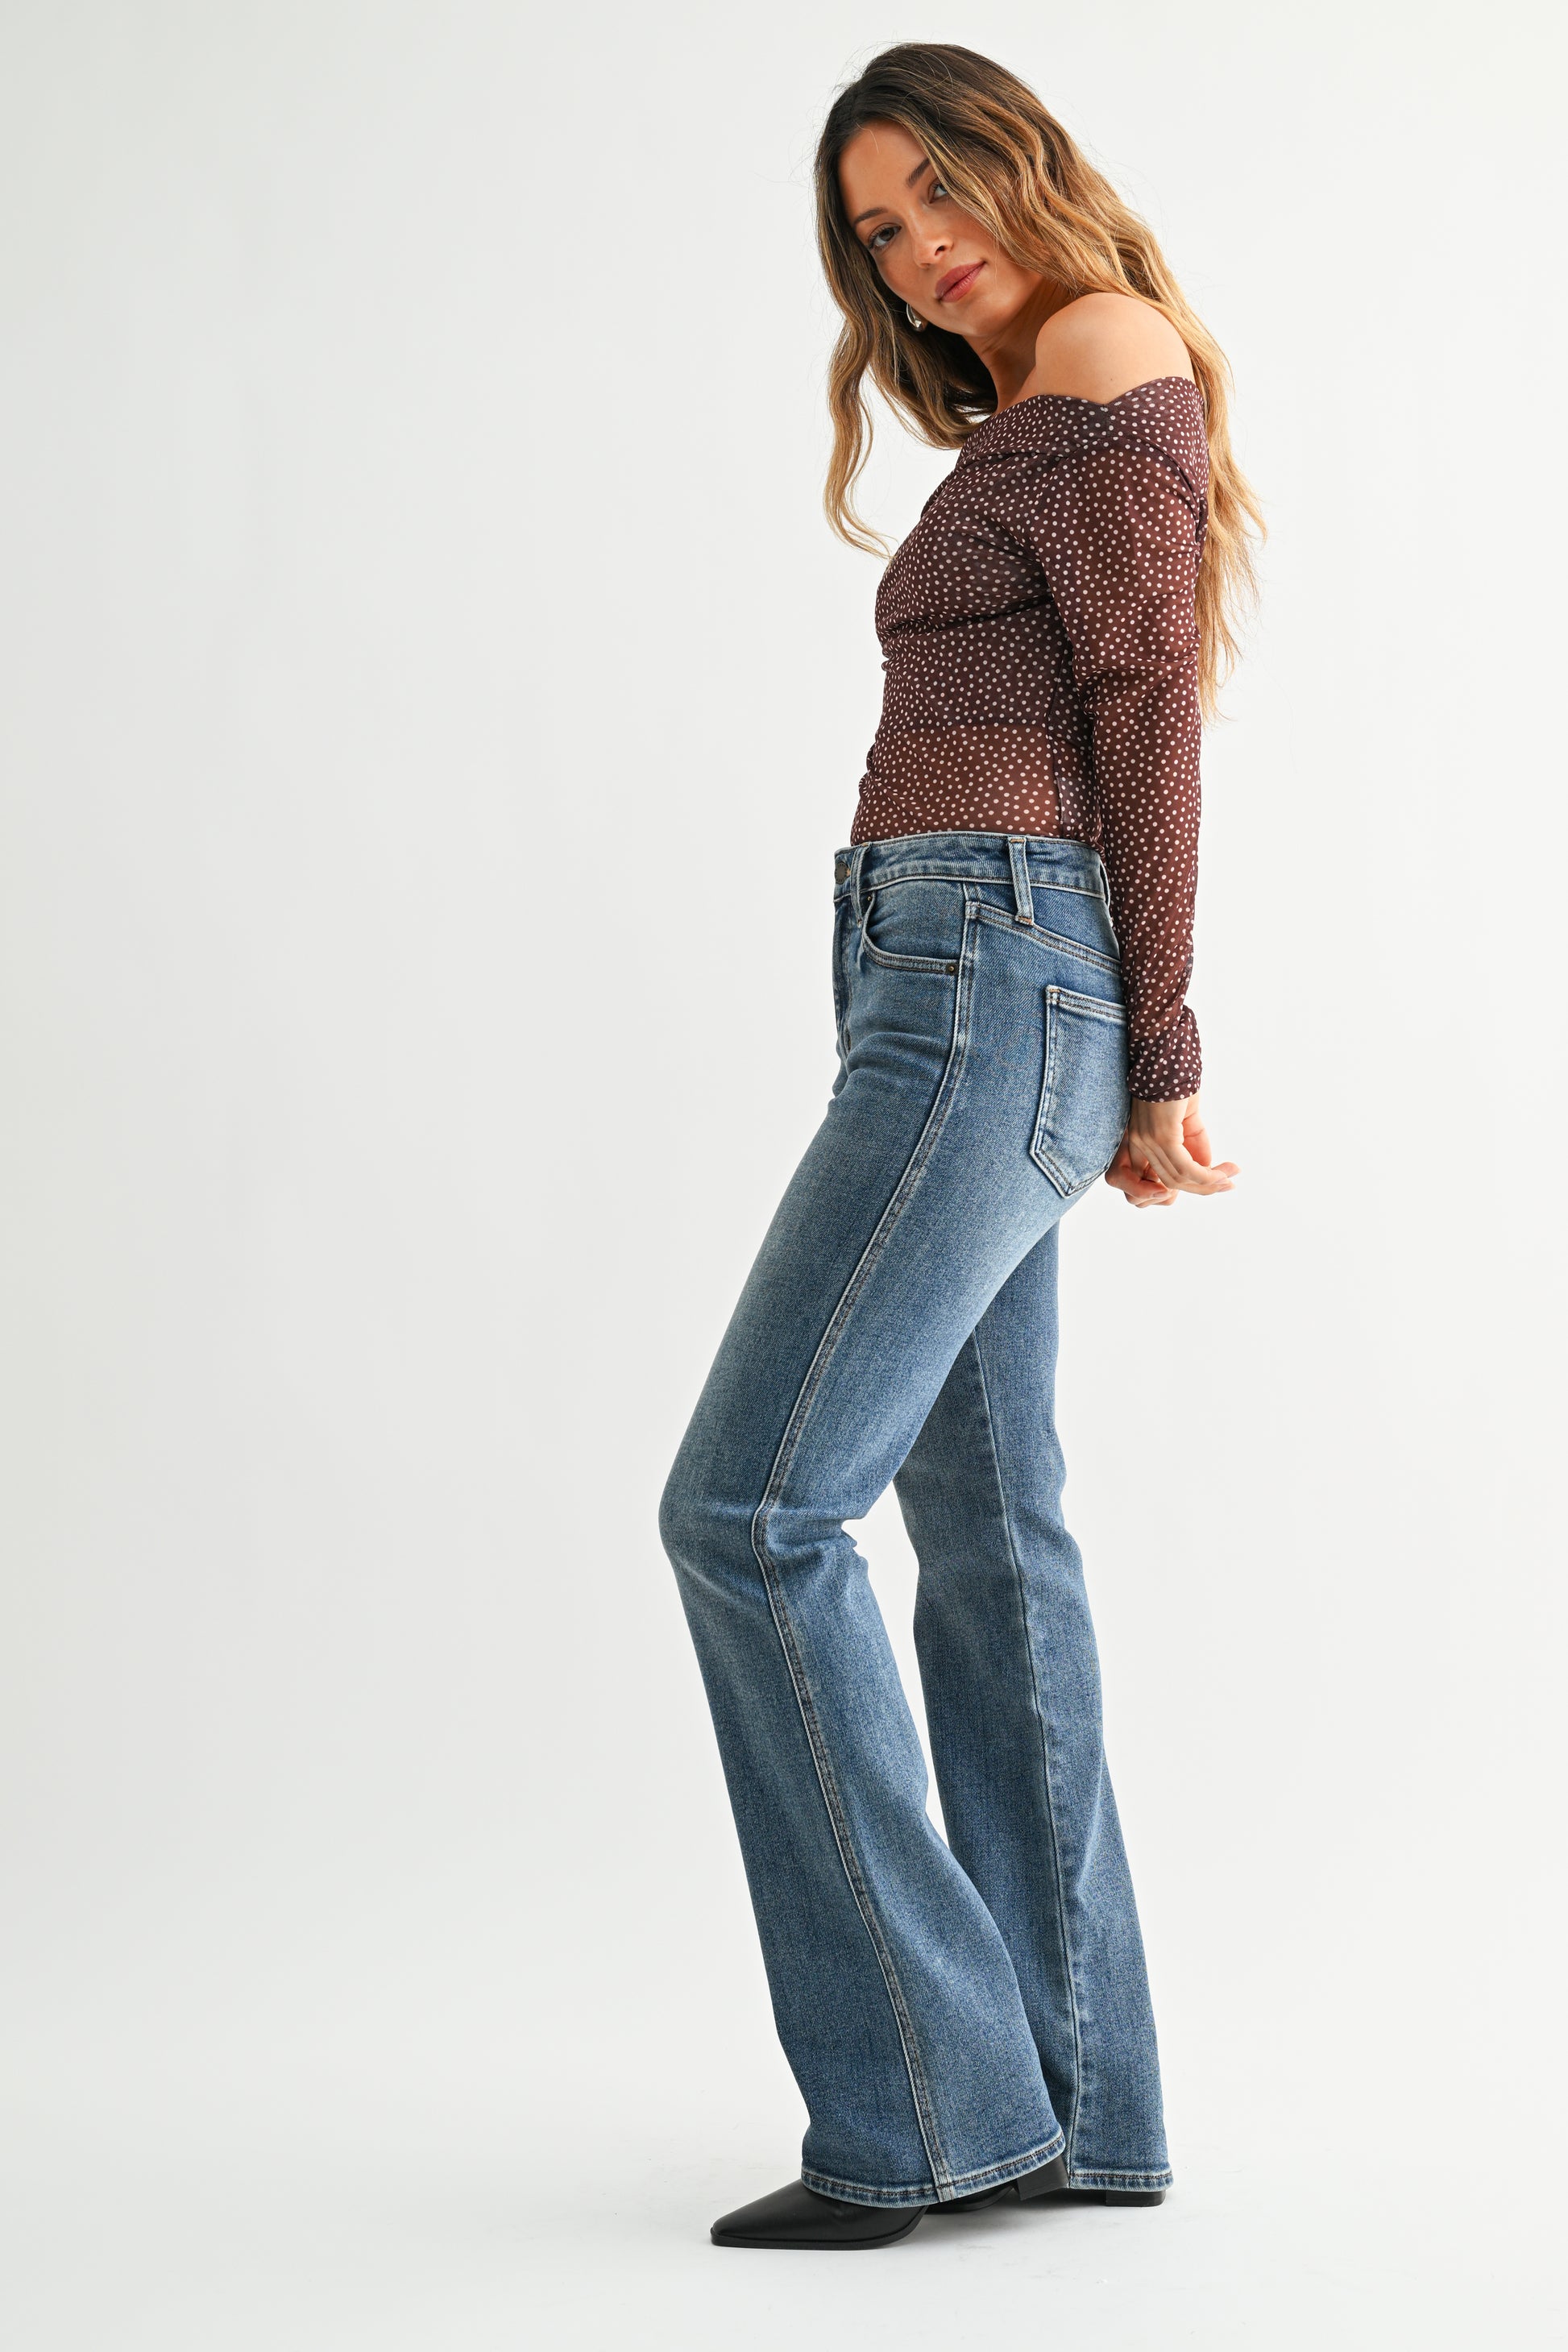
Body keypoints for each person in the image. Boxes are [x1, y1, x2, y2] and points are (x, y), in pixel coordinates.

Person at [658, 42, 1262, 2252]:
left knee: (745, 1509)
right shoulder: (1033, 406)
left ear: (1025, 162)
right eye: (878, 230)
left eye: (937, 189)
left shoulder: (1101, 350)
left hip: (985, 970)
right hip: (961, 968)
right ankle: (1080, 2107)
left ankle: (921, 2105)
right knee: (987, 1537)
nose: (920, 246)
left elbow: (1141, 707)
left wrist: (1160, 1035)